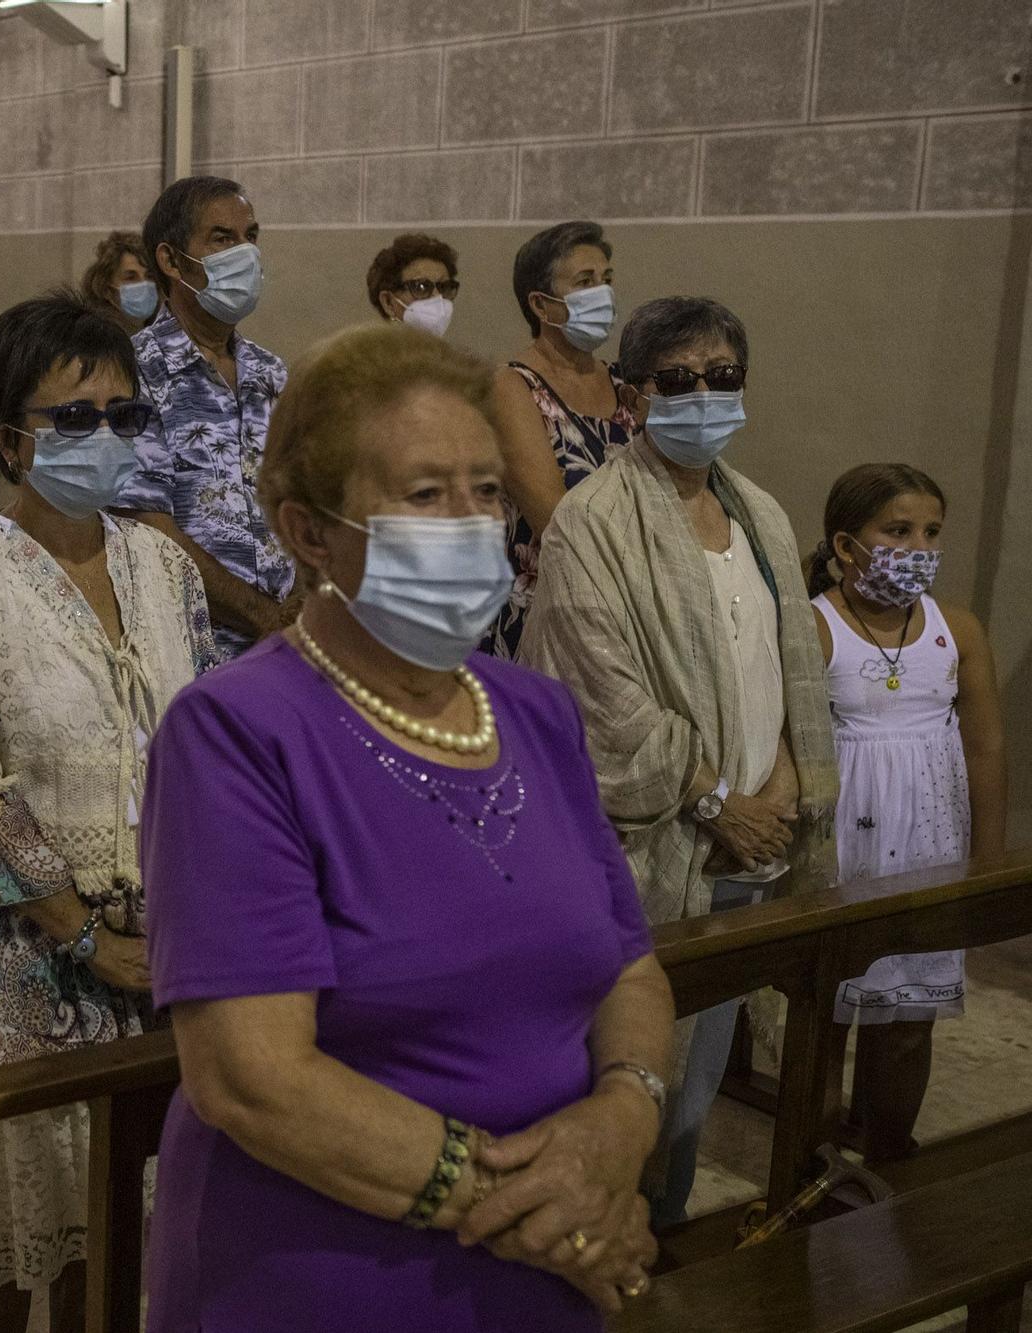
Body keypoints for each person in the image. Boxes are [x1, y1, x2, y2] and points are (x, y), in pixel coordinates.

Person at [143, 324, 672, 1331]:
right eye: (426, 495)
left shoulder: (533, 713)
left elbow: (627, 970)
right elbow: (253, 1080)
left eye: (485, 489)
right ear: (308, 531)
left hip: (544, 1270)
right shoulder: (236, 733)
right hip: (330, 1267)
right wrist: (552, 1216)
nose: (471, 522)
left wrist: (620, 1119)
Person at [0, 291, 214, 1332]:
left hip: (158, 942)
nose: (103, 438)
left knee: (112, 1233)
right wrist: (86, 938)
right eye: (75, 418)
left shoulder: (160, 565)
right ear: (10, 431)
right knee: (15, 1241)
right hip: (18, 957)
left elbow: (201, 745)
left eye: (123, 415)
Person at [520, 295, 838, 1227]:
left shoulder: (763, 515)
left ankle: (658, 1246)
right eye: (680, 380)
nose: (705, 394)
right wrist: (715, 802)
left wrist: (781, 780)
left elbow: (784, 667)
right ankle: (606, 1249)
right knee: (626, 1081)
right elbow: (601, 700)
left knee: (695, 1090)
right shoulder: (594, 522)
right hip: (650, 855)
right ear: (633, 394)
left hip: (755, 845)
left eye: (723, 377)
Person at [807, 465, 1007, 1164]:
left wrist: (985, 863)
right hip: (843, 840)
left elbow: (984, 747)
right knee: (826, 1016)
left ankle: (889, 1150)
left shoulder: (959, 630)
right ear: (846, 542)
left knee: (908, 1016)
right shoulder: (816, 627)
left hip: (929, 838)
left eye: (930, 532)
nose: (917, 546)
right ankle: (813, 1161)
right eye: (897, 531)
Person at [116, 175, 294, 659]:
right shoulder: (132, 372)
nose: (246, 253)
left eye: (250, 237)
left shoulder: (272, 373)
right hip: (191, 652)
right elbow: (148, 526)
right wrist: (266, 619)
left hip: (290, 649)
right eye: (223, 238)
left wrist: (300, 613)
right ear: (172, 260)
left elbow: (313, 500)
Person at [485, 220, 633, 659]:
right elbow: (555, 518)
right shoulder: (512, 387)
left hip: (631, 609)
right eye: (585, 282)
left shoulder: (625, 381)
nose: (603, 293)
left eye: (606, 279)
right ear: (541, 305)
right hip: (548, 614)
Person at [367, 232, 460, 338]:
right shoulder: (362, 353)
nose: (437, 296)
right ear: (388, 302)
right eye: (421, 287)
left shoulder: (454, 354)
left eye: (444, 287)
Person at [79, 229, 156, 335]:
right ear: (107, 289)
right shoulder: (93, 338)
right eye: (131, 278)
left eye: (149, 276)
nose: (144, 283)